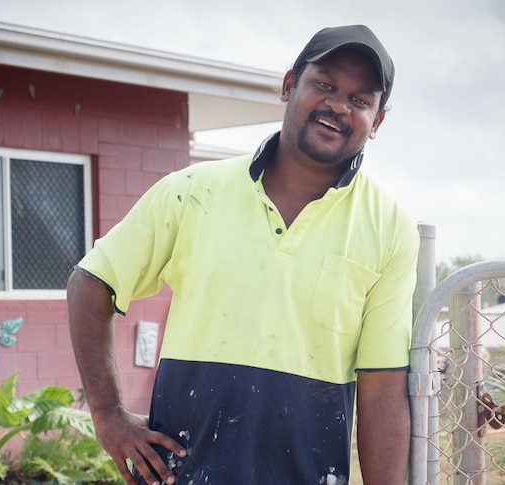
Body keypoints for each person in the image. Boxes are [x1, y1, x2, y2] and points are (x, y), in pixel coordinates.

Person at [68, 24, 418, 485]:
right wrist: (107, 413)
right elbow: (91, 282)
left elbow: (384, 390)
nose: (338, 105)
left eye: (360, 99)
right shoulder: (192, 191)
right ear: (289, 85)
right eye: (325, 85)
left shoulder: (389, 227)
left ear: (377, 122)